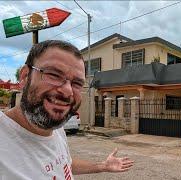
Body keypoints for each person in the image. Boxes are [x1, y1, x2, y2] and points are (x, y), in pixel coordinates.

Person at [0, 40, 134, 179]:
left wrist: (103, 166)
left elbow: (63, 163)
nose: (67, 91)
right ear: (25, 77)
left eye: (77, 83)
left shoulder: (57, 130)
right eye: (54, 75)